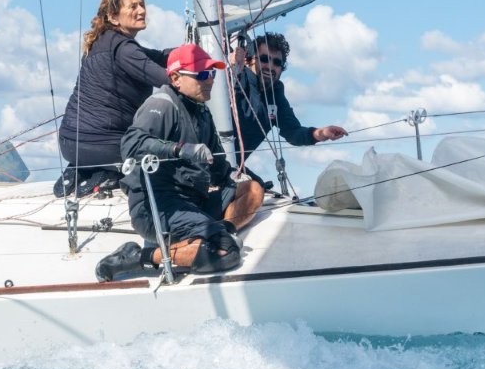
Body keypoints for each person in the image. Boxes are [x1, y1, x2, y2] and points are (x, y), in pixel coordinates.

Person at [96, 45, 241, 281]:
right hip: (158, 206)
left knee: (251, 191)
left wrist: (231, 178)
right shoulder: (162, 104)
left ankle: (213, 231)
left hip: (193, 201)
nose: (210, 80)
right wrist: (180, 149)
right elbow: (131, 144)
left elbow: (217, 165)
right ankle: (138, 256)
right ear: (176, 78)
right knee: (226, 251)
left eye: (212, 73)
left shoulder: (202, 111)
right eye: (202, 74)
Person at [57, 0, 173, 197]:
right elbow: (170, 80)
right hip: (104, 147)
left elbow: (158, 56)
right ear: (113, 17)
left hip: (69, 144)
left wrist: (191, 51)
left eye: (141, 4)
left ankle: (83, 169)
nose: (141, 10)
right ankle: (107, 172)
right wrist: (203, 72)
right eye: (133, 6)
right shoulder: (124, 49)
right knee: (168, 162)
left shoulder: (102, 42)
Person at [225, 31, 348, 226]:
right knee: (255, 190)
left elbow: (292, 131)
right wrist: (231, 69)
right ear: (249, 59)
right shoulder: (235, 78)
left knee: (260, 190)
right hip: (208, 163)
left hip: (234, 167)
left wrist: (320, 134)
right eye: (264, 59)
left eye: (277, 63)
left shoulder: (276, 92)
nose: (270, 66)